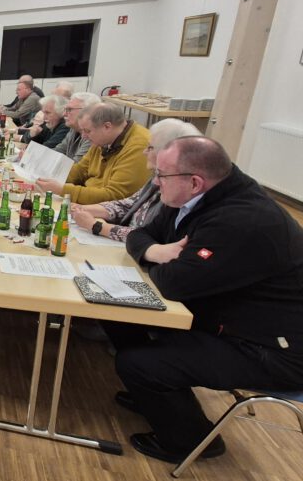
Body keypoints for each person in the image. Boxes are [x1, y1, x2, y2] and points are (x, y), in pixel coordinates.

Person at [104, 136, 303, 464]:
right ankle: (154, 397)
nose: (155, 182)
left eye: (161, 175)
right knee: (118, 315)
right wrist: (157, 252)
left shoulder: (242, 219)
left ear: (195, 182)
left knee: (137, 363)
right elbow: (141, 234)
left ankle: (189, 441)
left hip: (271, 350)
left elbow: (174, 283)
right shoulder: (194, 197)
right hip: (230, 320)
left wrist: (162, 259)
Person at [70, 119, 200, 242]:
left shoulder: (177, 189)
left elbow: (148, 236)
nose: (144, 152)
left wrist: (96, 226)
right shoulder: (158, 177)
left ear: (168, 153)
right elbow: (130, 204)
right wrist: (84, 209)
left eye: (150, 147)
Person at [36, 102, 151, 204]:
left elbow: (114, 196)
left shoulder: (138, 147)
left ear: (107, 126)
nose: (83, 136)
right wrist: (49, 178)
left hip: (108, 210)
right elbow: (81, 170)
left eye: (87, 131)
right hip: (91, 200)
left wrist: (62, 190)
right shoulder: (103, 139)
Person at [53, 92, 102, 162]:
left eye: (69, 109)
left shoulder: (93, 135)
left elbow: (76, 164)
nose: (64, 114)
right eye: (65, 109)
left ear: (86, 111)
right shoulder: (73, 129)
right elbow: (57, 151)